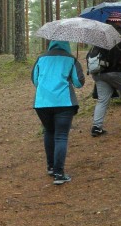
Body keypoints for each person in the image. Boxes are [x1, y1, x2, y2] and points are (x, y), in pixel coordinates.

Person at [31, 40, 84, 185]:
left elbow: (35, 80)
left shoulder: (41, 59)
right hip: (64, 102)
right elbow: (79, 83)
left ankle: (51, 167)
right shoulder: (70, 59)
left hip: (42, 103)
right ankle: (59, 173)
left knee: (49, 132)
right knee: (61, 136)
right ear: (66, 44)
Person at [90, 11, 121, 136]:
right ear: (117, 22)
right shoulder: (118, 33)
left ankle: (97, 127)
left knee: (102, 99)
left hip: (98, 72)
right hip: (115, 71)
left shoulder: (100, 34)